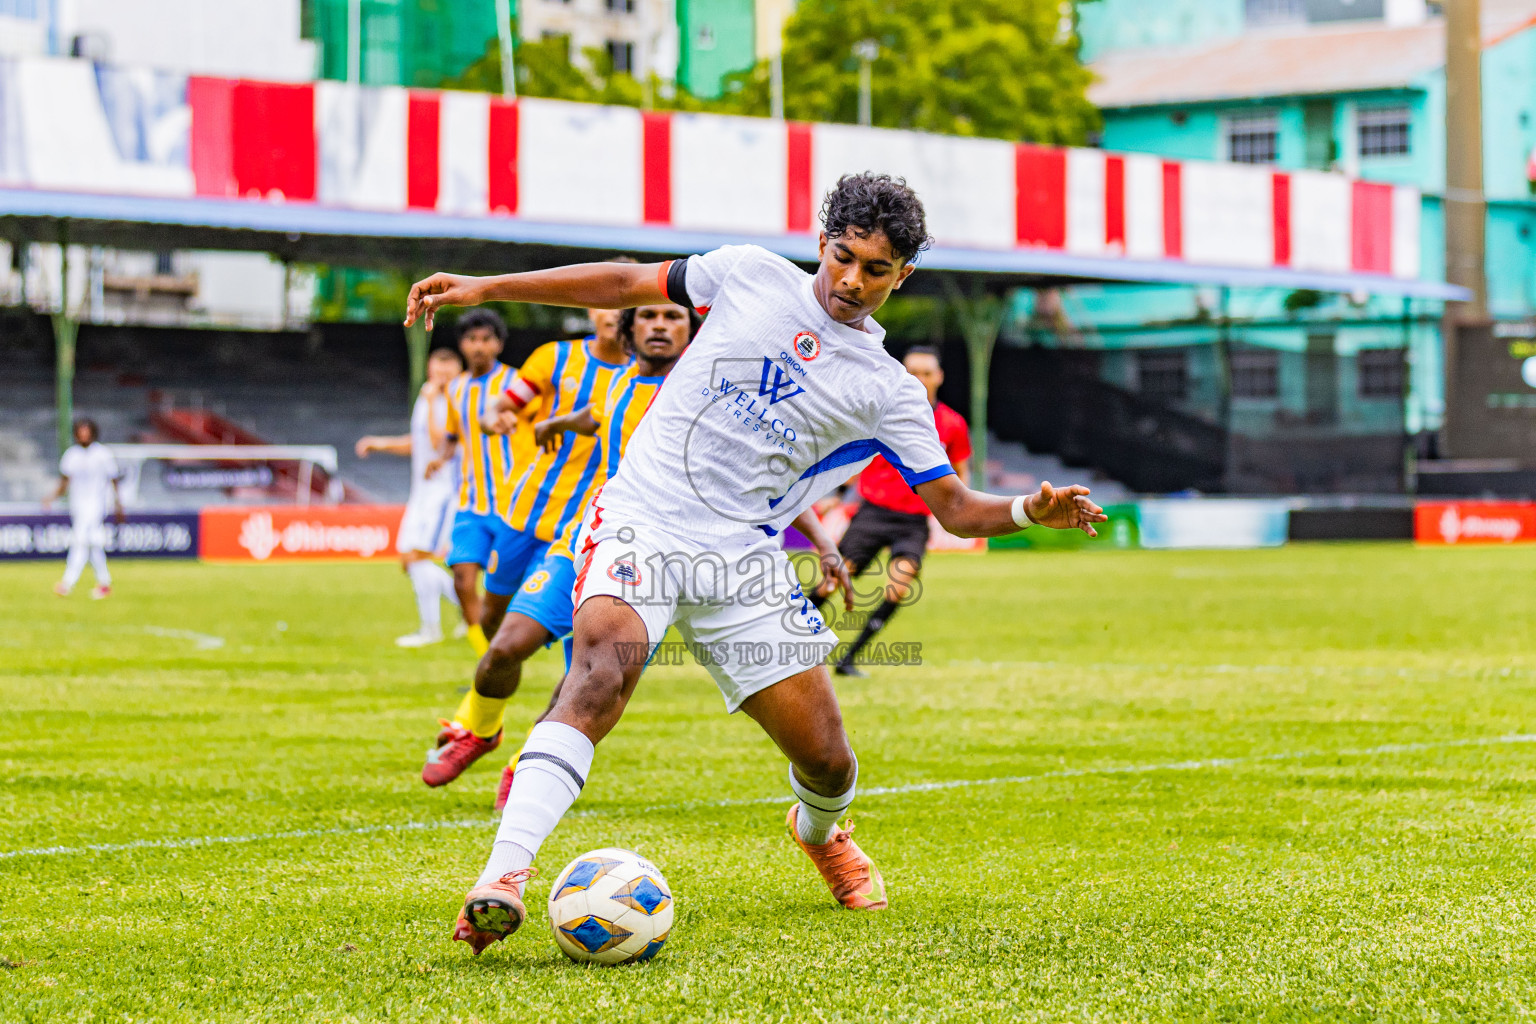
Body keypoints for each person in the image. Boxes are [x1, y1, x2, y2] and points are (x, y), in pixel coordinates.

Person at [403, 172, 1105, 953]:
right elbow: (630, 279)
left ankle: (821, 833)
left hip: (743, 563)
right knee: (598, 675)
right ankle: (502, 878)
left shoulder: (887, 390)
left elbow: (954, 507)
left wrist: (1025, 511)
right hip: (642, 520)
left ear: (902, 275)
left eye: (877, 270)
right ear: (820, 241)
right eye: (844, 256)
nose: (852, 280)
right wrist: (486, 286)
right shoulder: (748, 274)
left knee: (830, 761)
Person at [422, 300, 697, 791]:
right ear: (627, 328)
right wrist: (553, 424)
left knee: (583, 677)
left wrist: (820, 536)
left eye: (671, 317)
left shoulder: (699, 394)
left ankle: (524, 768)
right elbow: (595, 415)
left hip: (645, 560)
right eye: (647, 316)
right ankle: (481, 730)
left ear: (690, 331)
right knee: (503, 642)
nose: (658, 325)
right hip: (573, 535)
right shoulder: (608, 378)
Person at [811, 344, 971, 676]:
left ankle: (848, 659)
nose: (919, 378)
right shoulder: (882, 414)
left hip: (914, 520)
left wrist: (960, 508)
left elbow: (959, 470)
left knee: (899, 585)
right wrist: (838, 495)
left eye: (926, 372)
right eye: (912, 372)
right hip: (874, 513)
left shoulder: (953, 424)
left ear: (939, 377)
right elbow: (855, 460)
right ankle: (784, 643)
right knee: (832, 582)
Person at [355, 346, 468, 647]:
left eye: (449, 371)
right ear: (431, 369)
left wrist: (432, 402)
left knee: (417, 557)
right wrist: (380, 444)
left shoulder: (455, 401)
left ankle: (432, 629)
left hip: (443, 493)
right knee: (409, 560)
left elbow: (439, 440)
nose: (442, 376)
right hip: (422, 492)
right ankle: (469, 609)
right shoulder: (427, 397)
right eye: (438, 370)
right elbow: (419, 444)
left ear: (458, 372)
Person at [426, 310, 522, 656]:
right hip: (470, 504)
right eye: (471, 339)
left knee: (502, 590)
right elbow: (452, 435)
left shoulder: (517, 383)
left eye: (485, 339)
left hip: (512, 504)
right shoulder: (456, 389)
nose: (478, 346)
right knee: (464, 579)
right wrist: (439, 457)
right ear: (462, 345)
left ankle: (505, 646)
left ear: (498, 343)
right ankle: (487, 656)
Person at [46, 418, 123, 599]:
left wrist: (118, 503)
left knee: (80, 541)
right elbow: (64, 482)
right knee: (93, 544)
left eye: (87, 432)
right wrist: (51, 498)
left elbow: (114, 479)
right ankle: (104, 583)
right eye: (81, 432)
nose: (84, 435)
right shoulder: (71, 455)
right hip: (77, 506)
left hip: (96, 505)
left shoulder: (103, 454)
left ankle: (67, 583)